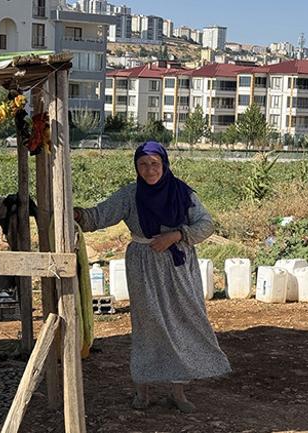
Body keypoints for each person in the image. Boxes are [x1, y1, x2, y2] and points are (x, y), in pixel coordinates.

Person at [74, 141, 231, 413]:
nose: (149, 170)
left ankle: (178, 392)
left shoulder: (182, 193)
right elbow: (99, 216)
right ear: (136, 166)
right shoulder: (130, 195)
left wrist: (176, 235)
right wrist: (77, 214)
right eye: (143, 164)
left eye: (154, 164)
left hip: (178, 267)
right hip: (144, 267)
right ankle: (142, 391)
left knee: (184, 321)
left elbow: (206, 224)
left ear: (164, 164)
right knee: (148, 326)